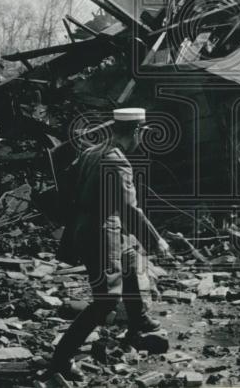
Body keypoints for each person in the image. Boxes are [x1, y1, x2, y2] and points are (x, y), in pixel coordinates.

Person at [48, 107, 170, 382]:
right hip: (100, 233)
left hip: (87, 225)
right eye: (142, 133)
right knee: (105, 301)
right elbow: (129, 211)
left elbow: (67, 185)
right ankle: (61, 359)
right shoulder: (117, 163)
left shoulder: (92, 152)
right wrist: (156, 240)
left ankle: (138, 325)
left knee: (130, 259)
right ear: (137, 132)